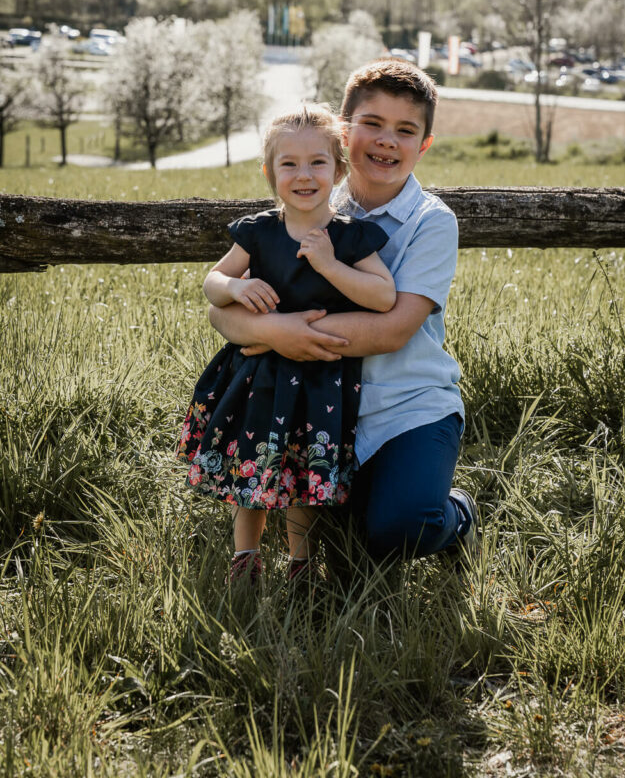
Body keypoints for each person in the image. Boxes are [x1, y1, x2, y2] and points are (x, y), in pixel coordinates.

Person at [206, 59, 477, 565]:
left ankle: (458, 514)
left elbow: (393, 329)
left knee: (401, 528)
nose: (386, 141)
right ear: (344, 133)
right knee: (334, 537)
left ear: (424, 144)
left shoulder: (431, 222)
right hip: (318, 407)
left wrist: (282, 335)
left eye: (405, 130)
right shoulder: (306, 197)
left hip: (406, 405)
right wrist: (268, 326)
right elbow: (223, 311)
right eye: (371, 124)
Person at [177, 104, 395, 584]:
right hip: (258, 377)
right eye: (288, 164)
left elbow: (384, 296)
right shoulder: (258, 232)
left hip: (317, 381)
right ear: (269, 172)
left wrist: (331, 265)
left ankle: (300, 564)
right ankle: (245, 560)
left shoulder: (351, 237)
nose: (304, 175)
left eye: (318, 162)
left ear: (339, 169)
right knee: (252, 470)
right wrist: (235, 289)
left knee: (300, 474)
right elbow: (213, 282)